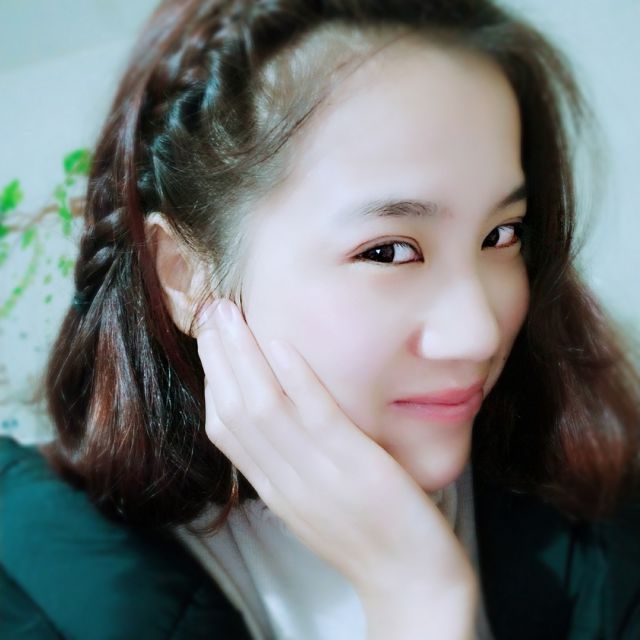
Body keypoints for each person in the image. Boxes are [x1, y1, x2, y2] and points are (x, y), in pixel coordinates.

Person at [1, 0, 639, 638]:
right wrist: (415, 596)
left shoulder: (602, 513)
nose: (478, 333)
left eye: (501, 235)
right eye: (387, 252)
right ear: (185, 276)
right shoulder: (34, 590)